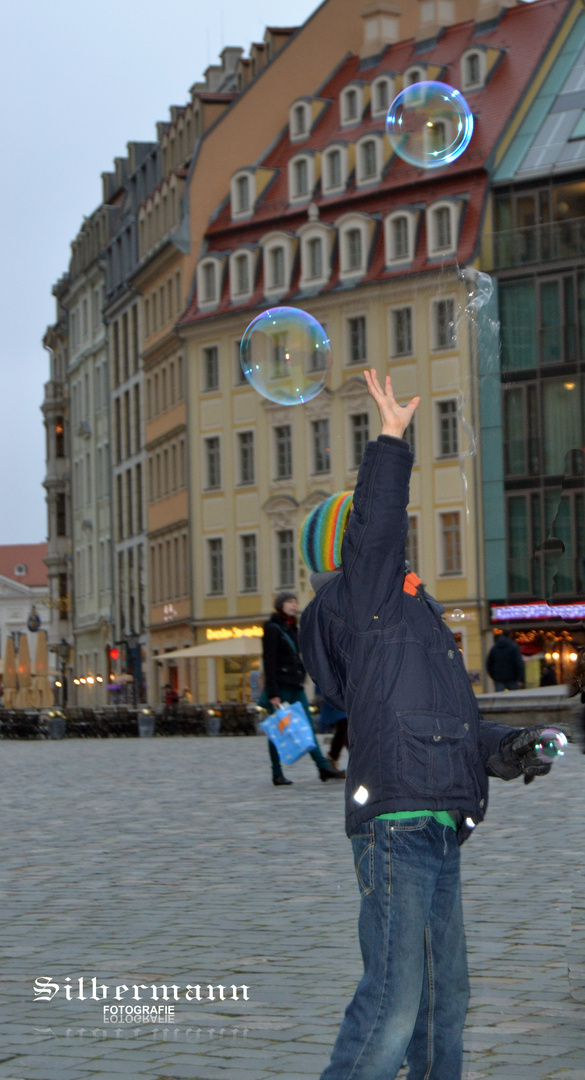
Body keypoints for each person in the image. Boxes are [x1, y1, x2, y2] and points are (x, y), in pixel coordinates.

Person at [299, 370, 555, 1080]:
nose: (399, 550)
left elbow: (451, 725)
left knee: (444, 1001)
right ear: (346, 557)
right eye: (377, 543)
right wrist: (389, 438)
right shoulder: (362, 604)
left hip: (438, 825)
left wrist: (508, 747)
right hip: (398, 829)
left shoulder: (408, 622)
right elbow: (376, 530)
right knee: (393, 1001)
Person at [258, 591, 345, 786]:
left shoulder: (291, 627)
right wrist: (272, 692)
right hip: (280, 687)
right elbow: (269, 661)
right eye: (289, 602)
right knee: (278, 730)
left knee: (306, 726)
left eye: (295, 602)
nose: (294, 605)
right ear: (280, 605)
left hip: (295, 685)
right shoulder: (272, 628)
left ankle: (323, 767)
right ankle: (277, 772)